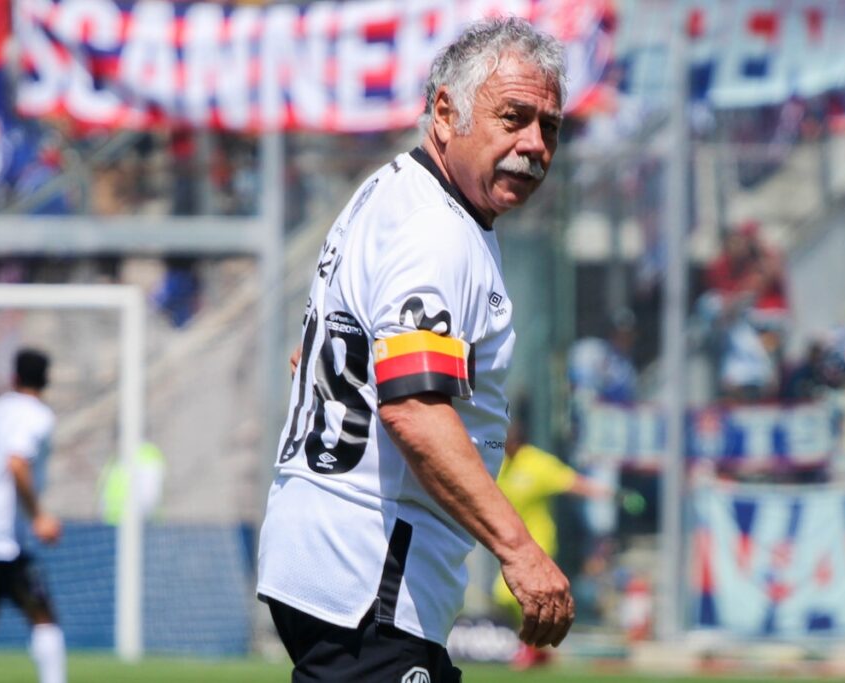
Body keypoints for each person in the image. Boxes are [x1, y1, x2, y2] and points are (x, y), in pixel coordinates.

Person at [257, 18, 572, 682]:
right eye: (513, 117)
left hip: (325, 559)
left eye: (549, 127)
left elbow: (316, 350)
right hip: (367, 575)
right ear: (445, 112)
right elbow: (414, 408)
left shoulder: (394, 191)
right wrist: (521, 552)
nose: (534, 144)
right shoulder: (439, 229)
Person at [0, 348, 65, 683]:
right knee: (44, 617)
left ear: (14, 377)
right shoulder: (38, 415)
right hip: (4, 535)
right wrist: (38, 516)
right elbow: (17, 461)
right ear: (46, 380)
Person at [491, 420, 620, 669]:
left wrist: (613, 494)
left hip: (538, 542)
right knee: (505, 597)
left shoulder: (537, 462)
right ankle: (536, 646)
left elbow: (573, 482)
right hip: (510, 544)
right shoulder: (502, 464)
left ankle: (531, 646)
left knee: (513, 594)